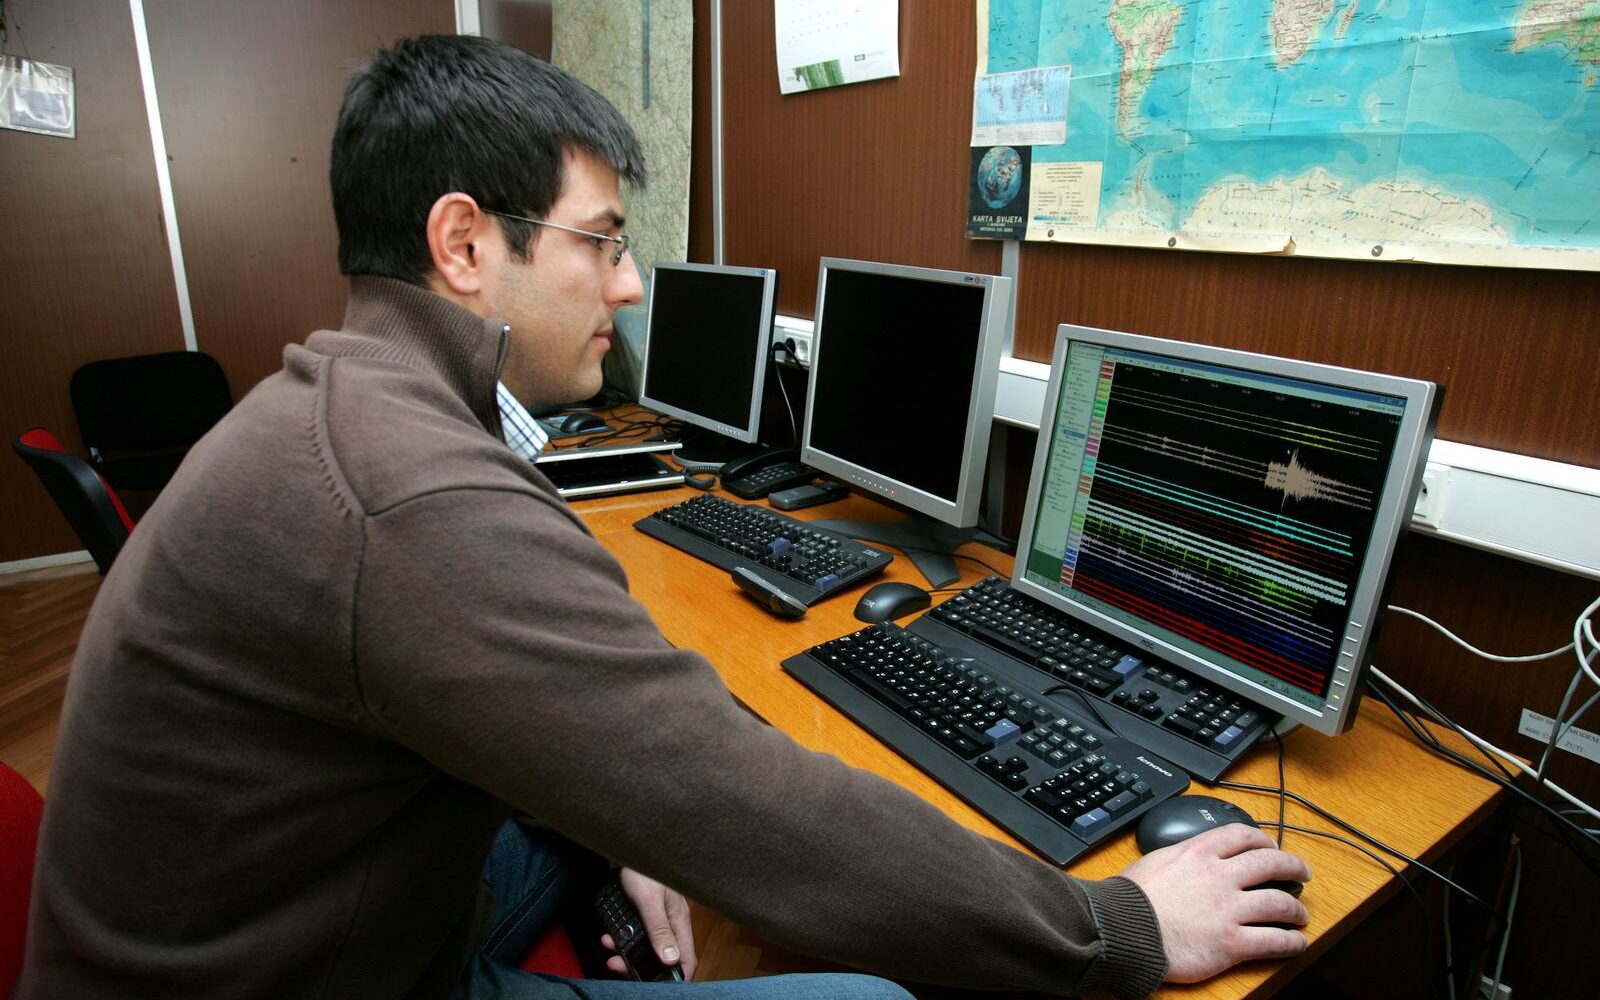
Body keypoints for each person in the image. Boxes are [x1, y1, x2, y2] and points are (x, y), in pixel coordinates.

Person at [18, 34, 1311, 1000]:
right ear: (464, 247)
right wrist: (1120, 929)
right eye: (602, 241)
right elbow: (750, 805)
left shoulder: (338, 404)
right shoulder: (412, 495)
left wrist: (610, 819)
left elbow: (590, 742)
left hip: (293, 914)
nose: (630, 284)